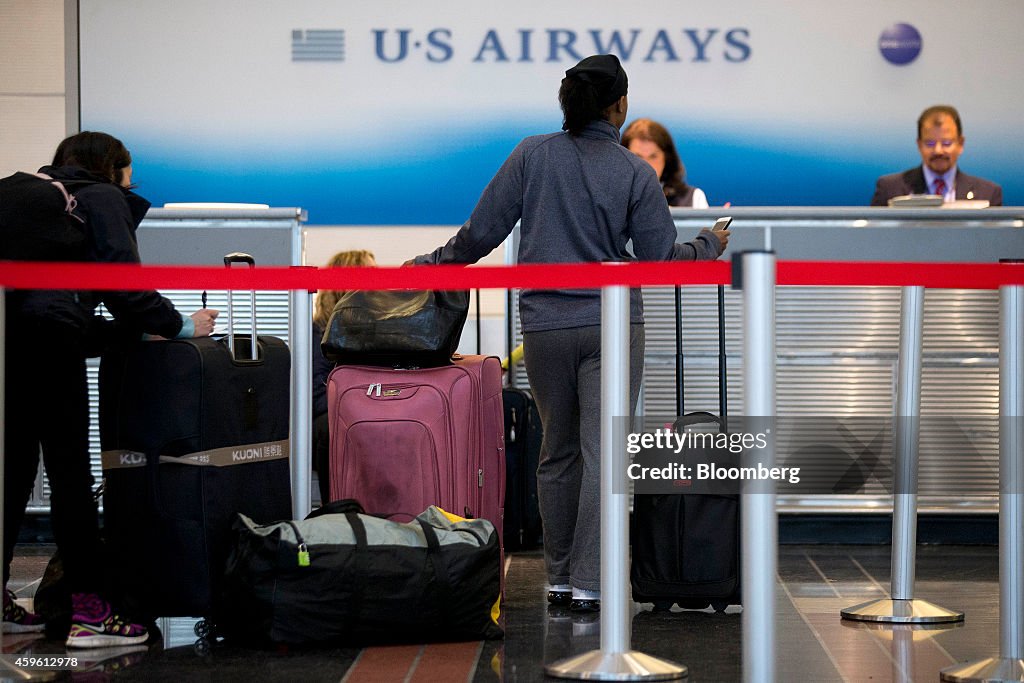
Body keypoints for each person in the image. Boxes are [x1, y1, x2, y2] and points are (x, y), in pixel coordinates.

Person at [408, 54, 730, 612]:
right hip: (611, 326)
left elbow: (479, 233)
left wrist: (430, 264)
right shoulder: (634, 170)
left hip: (545, 328)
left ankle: (558, 578)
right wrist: (709, 244)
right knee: (604, 456)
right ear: (621, 106)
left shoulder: (531, 154)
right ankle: (590, 582)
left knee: (556, 455)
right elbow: (660, 260)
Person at [3, 131, 218, 647]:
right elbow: (122, 284)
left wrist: (133, 327)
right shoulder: (100, 197)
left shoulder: (17, 193)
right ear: (113, 169)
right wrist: (179, 326)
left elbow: (51, 308)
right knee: (71, 479)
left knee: (9, 476)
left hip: (7, 348)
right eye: (130, 175)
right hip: (47, 354)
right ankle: (92, 618)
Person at [311, 249, 377, 504]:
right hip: (330, 418)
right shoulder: (318, 334)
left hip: (363, 412)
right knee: (332, 428)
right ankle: (337, 511)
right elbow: (316, 398)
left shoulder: (380, 330)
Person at [870, 105, 1003, 206]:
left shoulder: (988, 194)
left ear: (960, 144)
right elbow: (874, 239)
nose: (938, 151)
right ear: (919, 145)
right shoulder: (890, 189)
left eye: (946, 143)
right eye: (930, 143)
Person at [622, 118, 710, 208]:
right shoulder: (611, 195)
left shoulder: (693, 198)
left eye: (653, 156)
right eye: (638, 157)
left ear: (667, 159)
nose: (646, 165)